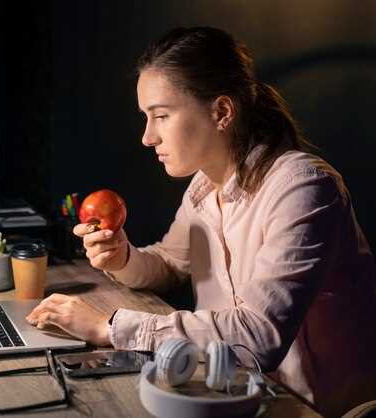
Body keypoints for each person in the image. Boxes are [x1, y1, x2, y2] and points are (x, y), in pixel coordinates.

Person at [26, 27, 376, 417]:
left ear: (222, 112)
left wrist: (110, 327)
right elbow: (168, 265)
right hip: (227, 393)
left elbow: (258, 336)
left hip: (309, 408)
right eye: (146, 117)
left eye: (160, 115)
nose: (147, 137)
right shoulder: (203, 187)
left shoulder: (303, 187)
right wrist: (122, 256)